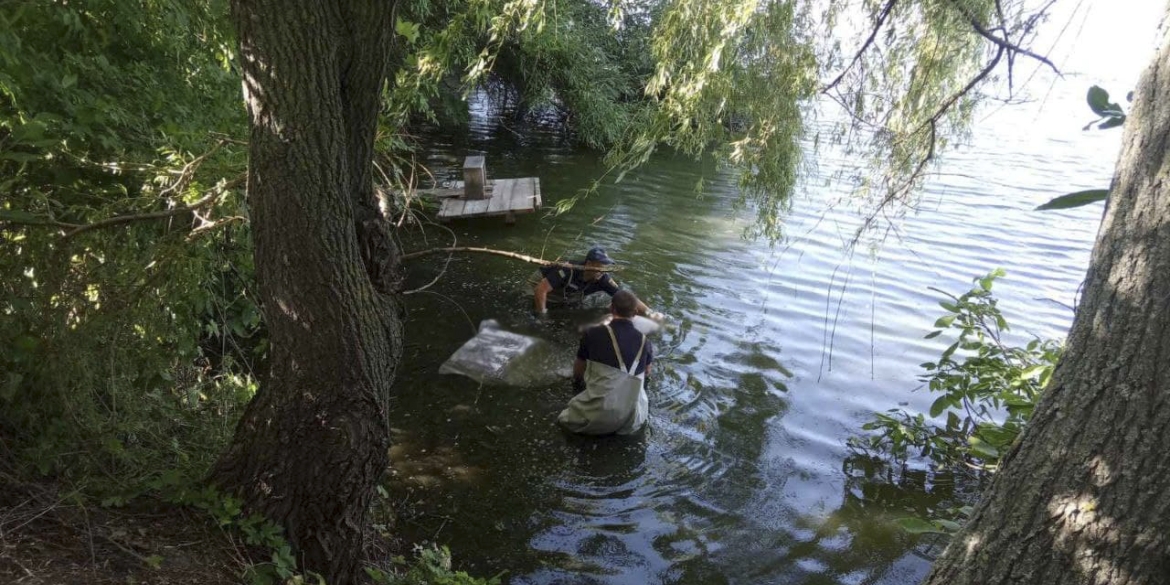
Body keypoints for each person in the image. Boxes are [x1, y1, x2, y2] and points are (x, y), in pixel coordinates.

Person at [557, 290, 653, 435]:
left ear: (611, 308)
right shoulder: (645, 342)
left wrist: (577, 386)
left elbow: (578, 370)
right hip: (633, 417)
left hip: (598, 413)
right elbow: (647, 372)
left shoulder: (592, 333)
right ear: (635, 312)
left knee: (562, 421)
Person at [529, 247, 655, 317]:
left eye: (605, 266)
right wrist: (542, 315)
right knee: (530, 302)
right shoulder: (568, 269)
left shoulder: (603, 279)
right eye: (601, 265)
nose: (603, 270)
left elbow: (625, 297)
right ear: (589, 263)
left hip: (566, 291)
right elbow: (541, 289)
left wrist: (651, 313)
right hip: (539, 283)